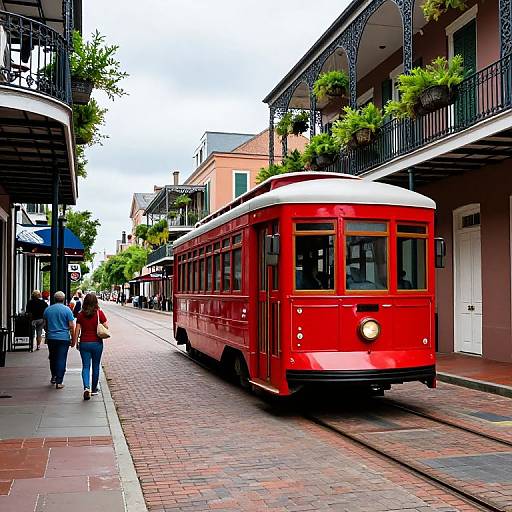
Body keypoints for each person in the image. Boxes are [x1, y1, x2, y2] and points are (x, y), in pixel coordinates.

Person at [73, 293, 109, 401]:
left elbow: (77, 330)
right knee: (96, 365)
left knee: (85, 366)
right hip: (97, 343)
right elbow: (106, 326)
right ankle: (94, 389)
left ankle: (86, 387)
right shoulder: (99, 313)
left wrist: (74, 342)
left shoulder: (80, 314)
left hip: (84, 343)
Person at [43, 291, 75, 389]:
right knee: (61, 358)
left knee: (52, 357)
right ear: (63, 299)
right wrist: (73, 338)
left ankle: (53, 376)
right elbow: (71, 326)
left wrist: (49, 331)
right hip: (63, 338)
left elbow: (45, 325)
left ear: (54, 298)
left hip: (51, 338)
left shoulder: (48, 310)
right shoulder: (67, 310)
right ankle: (59, 381)